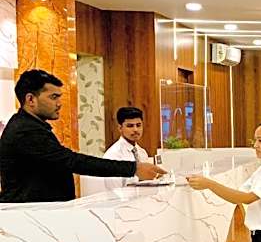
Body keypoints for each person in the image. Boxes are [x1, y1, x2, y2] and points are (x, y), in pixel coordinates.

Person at [0, 69, 165, 203]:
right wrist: (133, 169)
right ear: (30, 99)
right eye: (53, 97)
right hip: (29, 217)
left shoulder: (31, 126)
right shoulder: (25, 131)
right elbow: (72, 161)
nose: (59, 104)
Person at [83, 106, 151, 195]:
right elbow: (114, 192)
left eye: (138, 125)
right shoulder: (113, 156)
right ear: (120, 128)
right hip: (122, 202)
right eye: (130, 126)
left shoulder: (142, 153)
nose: (135, 130)